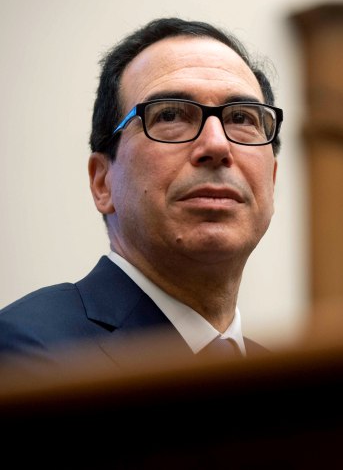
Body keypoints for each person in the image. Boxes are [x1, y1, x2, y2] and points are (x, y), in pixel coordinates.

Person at [0, 18, 282, 375]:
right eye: (170, 114)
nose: (217, 145)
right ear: (102, 182)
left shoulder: (289, 384)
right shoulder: (29, 352)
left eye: (242, 117)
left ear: (271, 180)